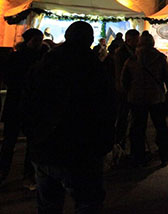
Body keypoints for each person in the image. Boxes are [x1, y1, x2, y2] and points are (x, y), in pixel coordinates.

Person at [22, 21, 115, 212]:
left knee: (49, 205)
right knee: (87, 203)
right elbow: (106, 108)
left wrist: (34, 135)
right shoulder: (93, 68)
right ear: (89, 40)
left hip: (45, 147)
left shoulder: (44, 64)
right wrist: (104, 143)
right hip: (81, 150)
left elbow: (27, 104)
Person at [0, 28, 48, 188]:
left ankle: (28, 174)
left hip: (32, 105)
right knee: (9, 142)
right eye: (36, 40)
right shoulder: (17, 57)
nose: (38, 43)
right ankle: (4, 172)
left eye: (40, 40)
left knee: (31, 142)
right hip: (18, 104)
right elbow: (8, 77)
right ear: (28, 41)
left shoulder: (43, 57)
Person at [122, 31, 168, 167]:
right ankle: (164, 155)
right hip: (156, 97)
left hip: (136, 98)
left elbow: (124, 81)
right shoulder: (160, 59)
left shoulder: (131, 60)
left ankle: (138, 156)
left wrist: (130, 92)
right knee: (160, 127)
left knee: (138, 128)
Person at [113, 29, 139, 148]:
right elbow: (119, 72)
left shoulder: (135, 51)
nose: (137, 42)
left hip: (133, 88)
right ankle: (119, 142)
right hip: (124, 89)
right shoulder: (121, 53)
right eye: (135, 39)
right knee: (123, 116)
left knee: (132, 117)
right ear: (129, 40)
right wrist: (120, 85)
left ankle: (127, 141)